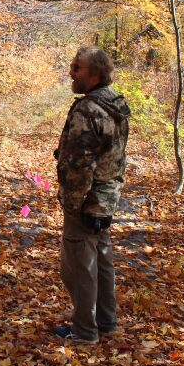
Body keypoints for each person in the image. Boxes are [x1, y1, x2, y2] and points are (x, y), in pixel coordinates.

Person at [53, 46, 131, 343]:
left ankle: (85, 332)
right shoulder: (114, 103)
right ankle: (107, 323)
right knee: (101, 259)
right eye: (72, 65)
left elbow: (80, 164)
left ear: (96, 73)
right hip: (107, 196)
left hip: (88, 201)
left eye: (77, 67)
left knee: (77, 267)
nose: (71, 72)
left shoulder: (90, 109)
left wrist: (72, 203)